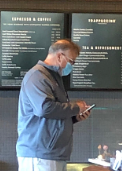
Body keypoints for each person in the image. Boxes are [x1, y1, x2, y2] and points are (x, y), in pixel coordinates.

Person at [16, 39, 92, 171]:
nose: (71, 66)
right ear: (59, 56)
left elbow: (53, 115)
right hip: (40, 154)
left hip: (53, 153)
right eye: (71, 61)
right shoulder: (37, 76)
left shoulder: (53, 77)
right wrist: (76, 107)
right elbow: (45, 108)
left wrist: (75, 117)